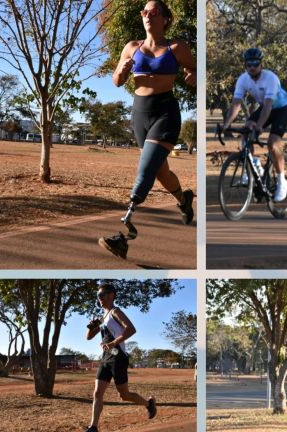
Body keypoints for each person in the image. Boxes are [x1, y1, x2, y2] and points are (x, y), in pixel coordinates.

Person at [98, 0, 196, 259]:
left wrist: (194, 77)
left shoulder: (177, 47)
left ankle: (124, 233)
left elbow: (195, 71)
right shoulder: (132, 47)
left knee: (145, 170)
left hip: (165, 113)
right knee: (160, 171)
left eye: (154, 12)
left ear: (165, 18)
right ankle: (184, 200)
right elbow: (117, 81)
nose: (147, 16)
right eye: (144, 12)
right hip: (139, 115)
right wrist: (120, 70)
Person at [84, 284, 156, 432]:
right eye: (98, 296)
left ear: (112, 295)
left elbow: (131, 329)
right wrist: (90, 327)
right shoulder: (102, 318)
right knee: (97, 393)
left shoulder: (115, 312)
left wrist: (112, 343)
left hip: (118, 358)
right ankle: (93, 427)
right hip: (106, 358)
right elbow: (88, 338)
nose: (100, 298)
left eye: (102, 294)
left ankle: (149, 404)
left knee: (124, 395)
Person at [222, 47, 287, 202]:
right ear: (245, 66)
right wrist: (226, 124)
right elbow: (236, 104)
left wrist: (259, 126)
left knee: (272, 145)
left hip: (280, 110)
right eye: (249, 64)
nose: (252, 67)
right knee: (245, 132)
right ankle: (254, 165)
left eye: (255, 63)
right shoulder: (243, 79)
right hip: (265, 109)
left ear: (261, 65)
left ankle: (282, 181)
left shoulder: (271, 78)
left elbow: (267, 105)